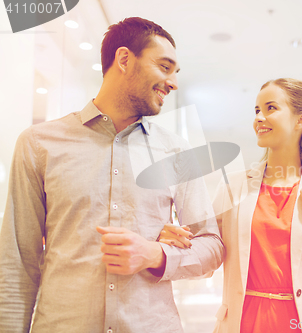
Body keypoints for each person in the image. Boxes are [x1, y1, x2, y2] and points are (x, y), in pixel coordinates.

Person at [0, 17, 223, 333]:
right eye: (164, 66)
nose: (173, 82)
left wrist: (153, 253)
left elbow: (212, 246)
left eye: (175, 73)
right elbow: (17, 264)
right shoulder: (38, 144)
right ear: (124, 59)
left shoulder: (177, 152)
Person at [161, 78, 302, 332]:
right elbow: (205, 251)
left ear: (301, 120)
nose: (259, 118)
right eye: (256, 110)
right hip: (245, 322)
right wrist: (175, 239)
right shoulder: (234, 186)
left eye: (270, 108)